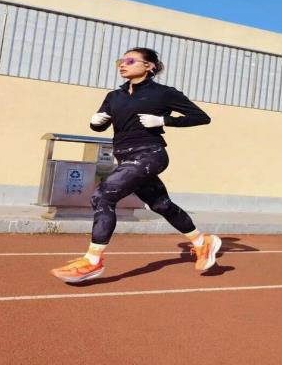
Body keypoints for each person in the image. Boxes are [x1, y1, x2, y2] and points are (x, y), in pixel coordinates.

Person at [50, 47, 221, 283]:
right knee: (161, 205)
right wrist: (96, 122)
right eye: (120, 61)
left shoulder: (163, 93)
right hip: (124, 155)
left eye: (130, 61)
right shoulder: (114, 96)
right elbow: (100, 126)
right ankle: (202, 242)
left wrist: (163, 120)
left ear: (149, 66)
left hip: (150, 154)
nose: (122, 64)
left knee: (103, 195)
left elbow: (201, 117)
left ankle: (92, 260)